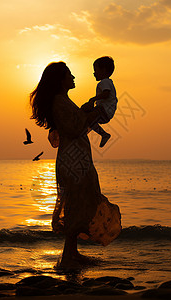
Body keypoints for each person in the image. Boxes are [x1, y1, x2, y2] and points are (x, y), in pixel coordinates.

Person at [30, 62, 121, 268]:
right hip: (73, 162)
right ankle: (69, 257)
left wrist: (86, 111)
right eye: (69, 75)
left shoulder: (63, 100)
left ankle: (72, 253)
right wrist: (94, 112)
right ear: (61, 80)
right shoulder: (58, 101)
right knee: (76, 205)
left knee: (79, 204)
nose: (73, 78)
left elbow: (76, 123)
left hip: (77, 159)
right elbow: (74, 127)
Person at [86, 56, 118, 148]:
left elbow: (106, 94)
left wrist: (93, 99)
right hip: (106, 112)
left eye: (95, 70)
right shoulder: (107, 82)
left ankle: (103, 134)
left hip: (104, 110)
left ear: (103, 70)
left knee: (87, 116)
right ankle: (103, 134)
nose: (94, 73)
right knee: (89, 120)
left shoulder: (104, 82)